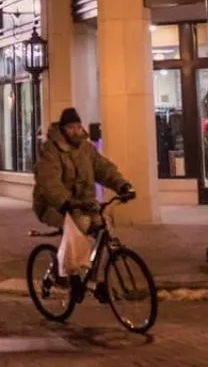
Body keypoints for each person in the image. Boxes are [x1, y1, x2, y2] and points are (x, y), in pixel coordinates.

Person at [34, 107, 135, 302]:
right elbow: (49, 182)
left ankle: (92, 280)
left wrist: (122, 185)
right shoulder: (51, 150)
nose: (75, 131)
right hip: (52, 205)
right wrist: (64, 202)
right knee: (80, 224)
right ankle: (67, 275)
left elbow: (103, 168)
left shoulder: (86, 148)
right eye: (71, 127)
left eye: (77, 127)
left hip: (84, 204)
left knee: (102, 225)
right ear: (63, 129)